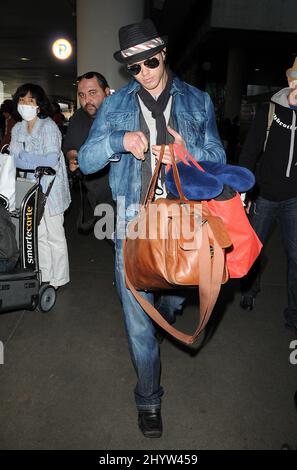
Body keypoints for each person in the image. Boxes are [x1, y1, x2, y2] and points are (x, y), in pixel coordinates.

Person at [78, 19, 226, 438]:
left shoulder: (198, 101)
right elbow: (87, 161)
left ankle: (167, 307)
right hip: (132, 225)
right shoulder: (116, 105)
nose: (143, 72)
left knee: (175, 300)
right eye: (133, 66)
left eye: (150, 61)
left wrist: (188, 150)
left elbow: (217, 154)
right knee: (138, 323)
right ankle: (148, 399)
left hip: (185, 223)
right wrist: (117, 142)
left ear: (164, 52)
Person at [239, 57, 297, 332]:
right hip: (264, 197)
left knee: (296, 256)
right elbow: (250, 152)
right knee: (253, 250)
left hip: (294, 200)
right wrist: (243, 191)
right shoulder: (269, 111)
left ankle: (294, 312)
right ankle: (249, 290)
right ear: (291, 80)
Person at [10, 83, 71, 289]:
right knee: (38, 234)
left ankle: (59, 279)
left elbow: (52, 159)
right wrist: (33, 159)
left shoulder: (48, 127)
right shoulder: (17, 128)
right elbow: (14, 159)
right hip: (28, 188)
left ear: (39, 105)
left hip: (50, 189)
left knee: (54, 234)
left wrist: (26, 157)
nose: (25, 104)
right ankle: (45, 275)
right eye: (21, 100)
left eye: (30, 100)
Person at [63, 71, 111, 231]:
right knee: (110, 236)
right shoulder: (78, 117)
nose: (87, 100)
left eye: (92, 93)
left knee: (131, 242)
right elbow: (70, 146)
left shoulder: (122, 116)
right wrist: (72, 157)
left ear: (107, 92)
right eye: (82, 95)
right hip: (95, 193)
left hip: (124, 193)